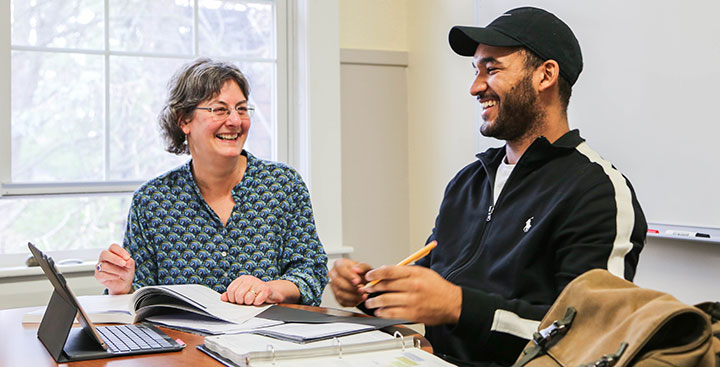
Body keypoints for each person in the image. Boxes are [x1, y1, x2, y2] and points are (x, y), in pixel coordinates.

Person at [329, 7, 646, 366]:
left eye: (492, 69)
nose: (475, 87)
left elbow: (591, 334)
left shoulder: (597, 191)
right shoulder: (468, 181)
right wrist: (370, 291)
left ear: (546, 75)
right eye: (476, 71)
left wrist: (458, 305)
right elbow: (433, 283)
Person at [94, 58, 328, 306]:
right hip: (183, 343)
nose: (235, 121)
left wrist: (270, 290)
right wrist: (120, 287)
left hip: (268, 341)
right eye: (220, 109)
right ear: (184, 120)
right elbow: (139, 298)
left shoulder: (283, 184)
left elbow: (311, 271)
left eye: (241, 108)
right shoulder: (152, 201)